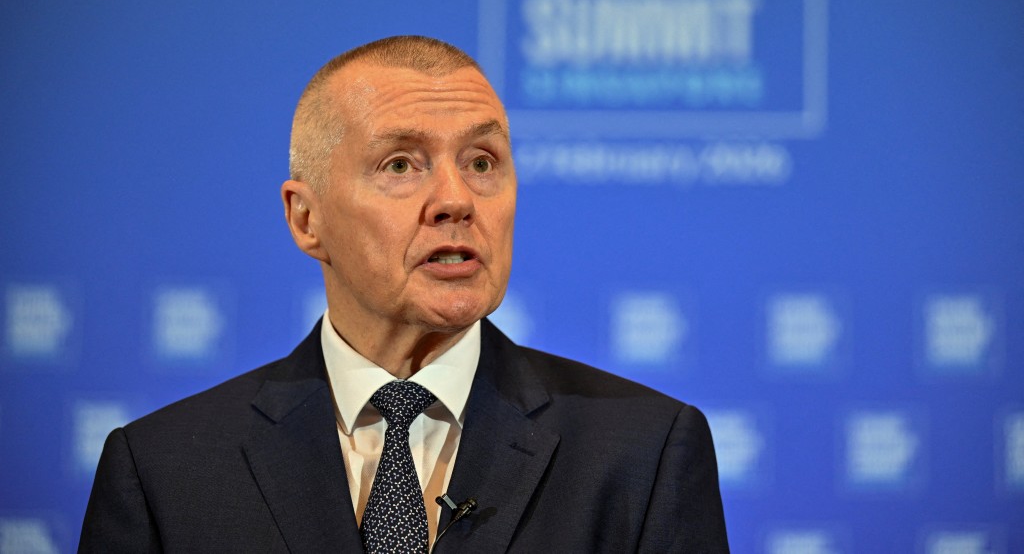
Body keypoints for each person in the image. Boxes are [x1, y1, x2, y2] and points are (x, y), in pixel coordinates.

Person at [79, 35, 729, 553]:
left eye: (482, 161)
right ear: (307, 219)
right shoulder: (165, 471)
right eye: (400, 164)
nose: (455, 199)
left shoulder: (643, 454)